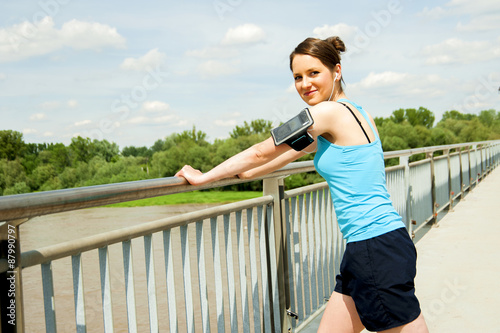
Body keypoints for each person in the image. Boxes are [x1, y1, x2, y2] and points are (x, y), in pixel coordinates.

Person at [175, 36, 429, 333]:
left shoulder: (324, 114)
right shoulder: (357, 112)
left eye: (313, 73)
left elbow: (261, 149)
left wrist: (204, 177)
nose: (304, 84)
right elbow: (288, 152)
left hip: (375, 247)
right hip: (376, 244)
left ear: (337, 71)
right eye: (297, 77)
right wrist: (246, 175)